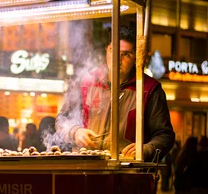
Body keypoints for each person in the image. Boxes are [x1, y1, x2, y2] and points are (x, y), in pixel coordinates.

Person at [56, 26, 175, 160]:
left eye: (126, 54)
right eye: (113, 51)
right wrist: (75, 132)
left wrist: (147, 148)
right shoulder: (86, 81)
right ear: (107, 49)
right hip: (86, 165)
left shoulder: (149, 89)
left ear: (136, 57)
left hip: (126, 170)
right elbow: (62, 119)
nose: (117, 59)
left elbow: (165, 135)